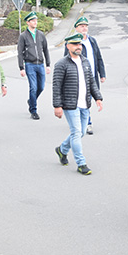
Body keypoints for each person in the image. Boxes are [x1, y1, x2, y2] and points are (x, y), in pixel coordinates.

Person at [53, 33, 103, 175]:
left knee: (81, 132)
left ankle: (62, 149)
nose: (78, 47)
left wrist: (98, 98)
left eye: (79, 44)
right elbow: (56, 86)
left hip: (84, 104)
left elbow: (91, 82)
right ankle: (81, 163)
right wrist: (57, 106)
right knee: (76, 132)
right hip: (70, 104)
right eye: (75, 44)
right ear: (68, 46)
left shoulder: (85, 62)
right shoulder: (61, 64)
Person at [64, 16, 106, 134]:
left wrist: (102, 74)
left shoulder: (92, 41)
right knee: (84, 99)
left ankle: (82, 119)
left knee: (89, 99)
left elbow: (98, 57)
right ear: (76, 28)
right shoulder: (72, 43)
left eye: (86, 26)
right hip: (79, 77)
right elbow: (66, 60)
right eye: (82, 26)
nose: (84, 28)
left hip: (92, 76)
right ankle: (87, 123)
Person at [17, 11, 51, 120]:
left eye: (36, 20)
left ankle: (31, 100)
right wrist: (21, 67)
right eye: (32, 20)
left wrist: (48, 64)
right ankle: (33, 110)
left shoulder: (41, 34)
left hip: (40, 64)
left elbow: (45, 49)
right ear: (28, 22)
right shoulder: (23, 36)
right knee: (33, 87)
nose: (35, 22)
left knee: (41, 87)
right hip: (29, 64)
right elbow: (20, 52)